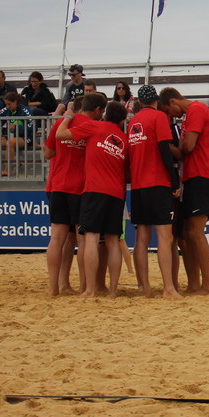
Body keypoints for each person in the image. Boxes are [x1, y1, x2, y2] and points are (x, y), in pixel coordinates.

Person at [56, 94, 129, 298]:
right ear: (122, 120)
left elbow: (61, 135)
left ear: (105, 114)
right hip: (116, 192)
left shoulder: (95, 127)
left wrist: (68, 115)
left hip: (94, 189)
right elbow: (127, 171)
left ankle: (89, 289)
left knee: (91, 238)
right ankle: (113, 290)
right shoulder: (124, 140)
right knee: (113, 241)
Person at [159, 87, 209, 295]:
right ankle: (194, 283)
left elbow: (188, 147)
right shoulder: (190, 114)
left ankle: (207, 285)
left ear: (173, 101)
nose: (171, 115)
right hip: (193, 176)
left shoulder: (196, 110)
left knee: (195, 232)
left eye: (169, 110)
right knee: (186, 234)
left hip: (201, 175)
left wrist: (171, 146)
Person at [127, 84, 182, 299]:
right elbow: (164, 149)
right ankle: (168, 288)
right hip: (157, 181)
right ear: (156, 100)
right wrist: (174, 182)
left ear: (140, 102)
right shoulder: (159, 117)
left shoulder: (133, 122)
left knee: (141, 237)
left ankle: (144, 287)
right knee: (164, 236)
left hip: (138, 184)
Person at [44, 95, 88, 296]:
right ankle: (84, 287)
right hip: (79, 186)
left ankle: (56, 286)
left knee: (58, 239)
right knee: (81, 239)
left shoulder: (61, 123)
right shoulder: (89, 125)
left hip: (58, 184)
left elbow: (47, 153)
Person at [0, 90, 32, 177]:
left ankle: (7, 170)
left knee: (10, 143)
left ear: (15, 102)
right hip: (10, 136)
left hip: (25, 137)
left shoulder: (25, 111)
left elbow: (31, 128)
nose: (7, 106)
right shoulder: (6, 109)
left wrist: (17, 127)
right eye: (6, 104)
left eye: (9, 104)